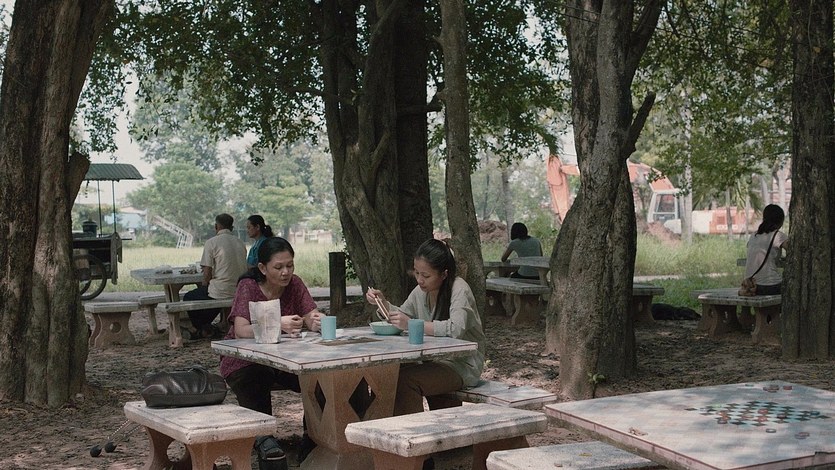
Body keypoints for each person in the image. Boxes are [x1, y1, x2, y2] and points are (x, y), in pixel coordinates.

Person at [219, 236, 324, 466]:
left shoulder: (295, 284)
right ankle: (266, 443)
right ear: (262, 268)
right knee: (255, 377)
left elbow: (310, 315)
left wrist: (318, 321)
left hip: (286, 359)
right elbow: (241, 330)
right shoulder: (248, 286)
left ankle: (314, 438)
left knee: (320, 378)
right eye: (278, 267)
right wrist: (278, 324)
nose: (286, 272)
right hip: (244, 361)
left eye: (290, 265)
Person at [366, 238, 486, 416]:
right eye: (416, 273)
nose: (420, 280)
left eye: (426, 275)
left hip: (461, 364)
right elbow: (402, 315)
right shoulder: (421, 291)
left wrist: (412, 324)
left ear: (444, 274)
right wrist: (382, 303)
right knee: (390, 372)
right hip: (432, 360)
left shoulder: (459, 289)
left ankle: (415, 430)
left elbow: (455, 329)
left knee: (405, 381)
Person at [183, 213, 247, 339]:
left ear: (216, 226)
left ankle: (201, 327)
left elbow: (207, 271)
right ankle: (209, 327)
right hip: (239, 289)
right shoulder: (240, 242)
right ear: (232, 228)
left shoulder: (211, 242)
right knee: (210, 296)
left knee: (189, 297)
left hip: (222, 290)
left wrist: (204, 285)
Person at [744, 204, 788, 295]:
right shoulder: (778, 235)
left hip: (750, 284)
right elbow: (795, 250)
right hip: (770, 285)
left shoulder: (754, 235)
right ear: (780, 221)